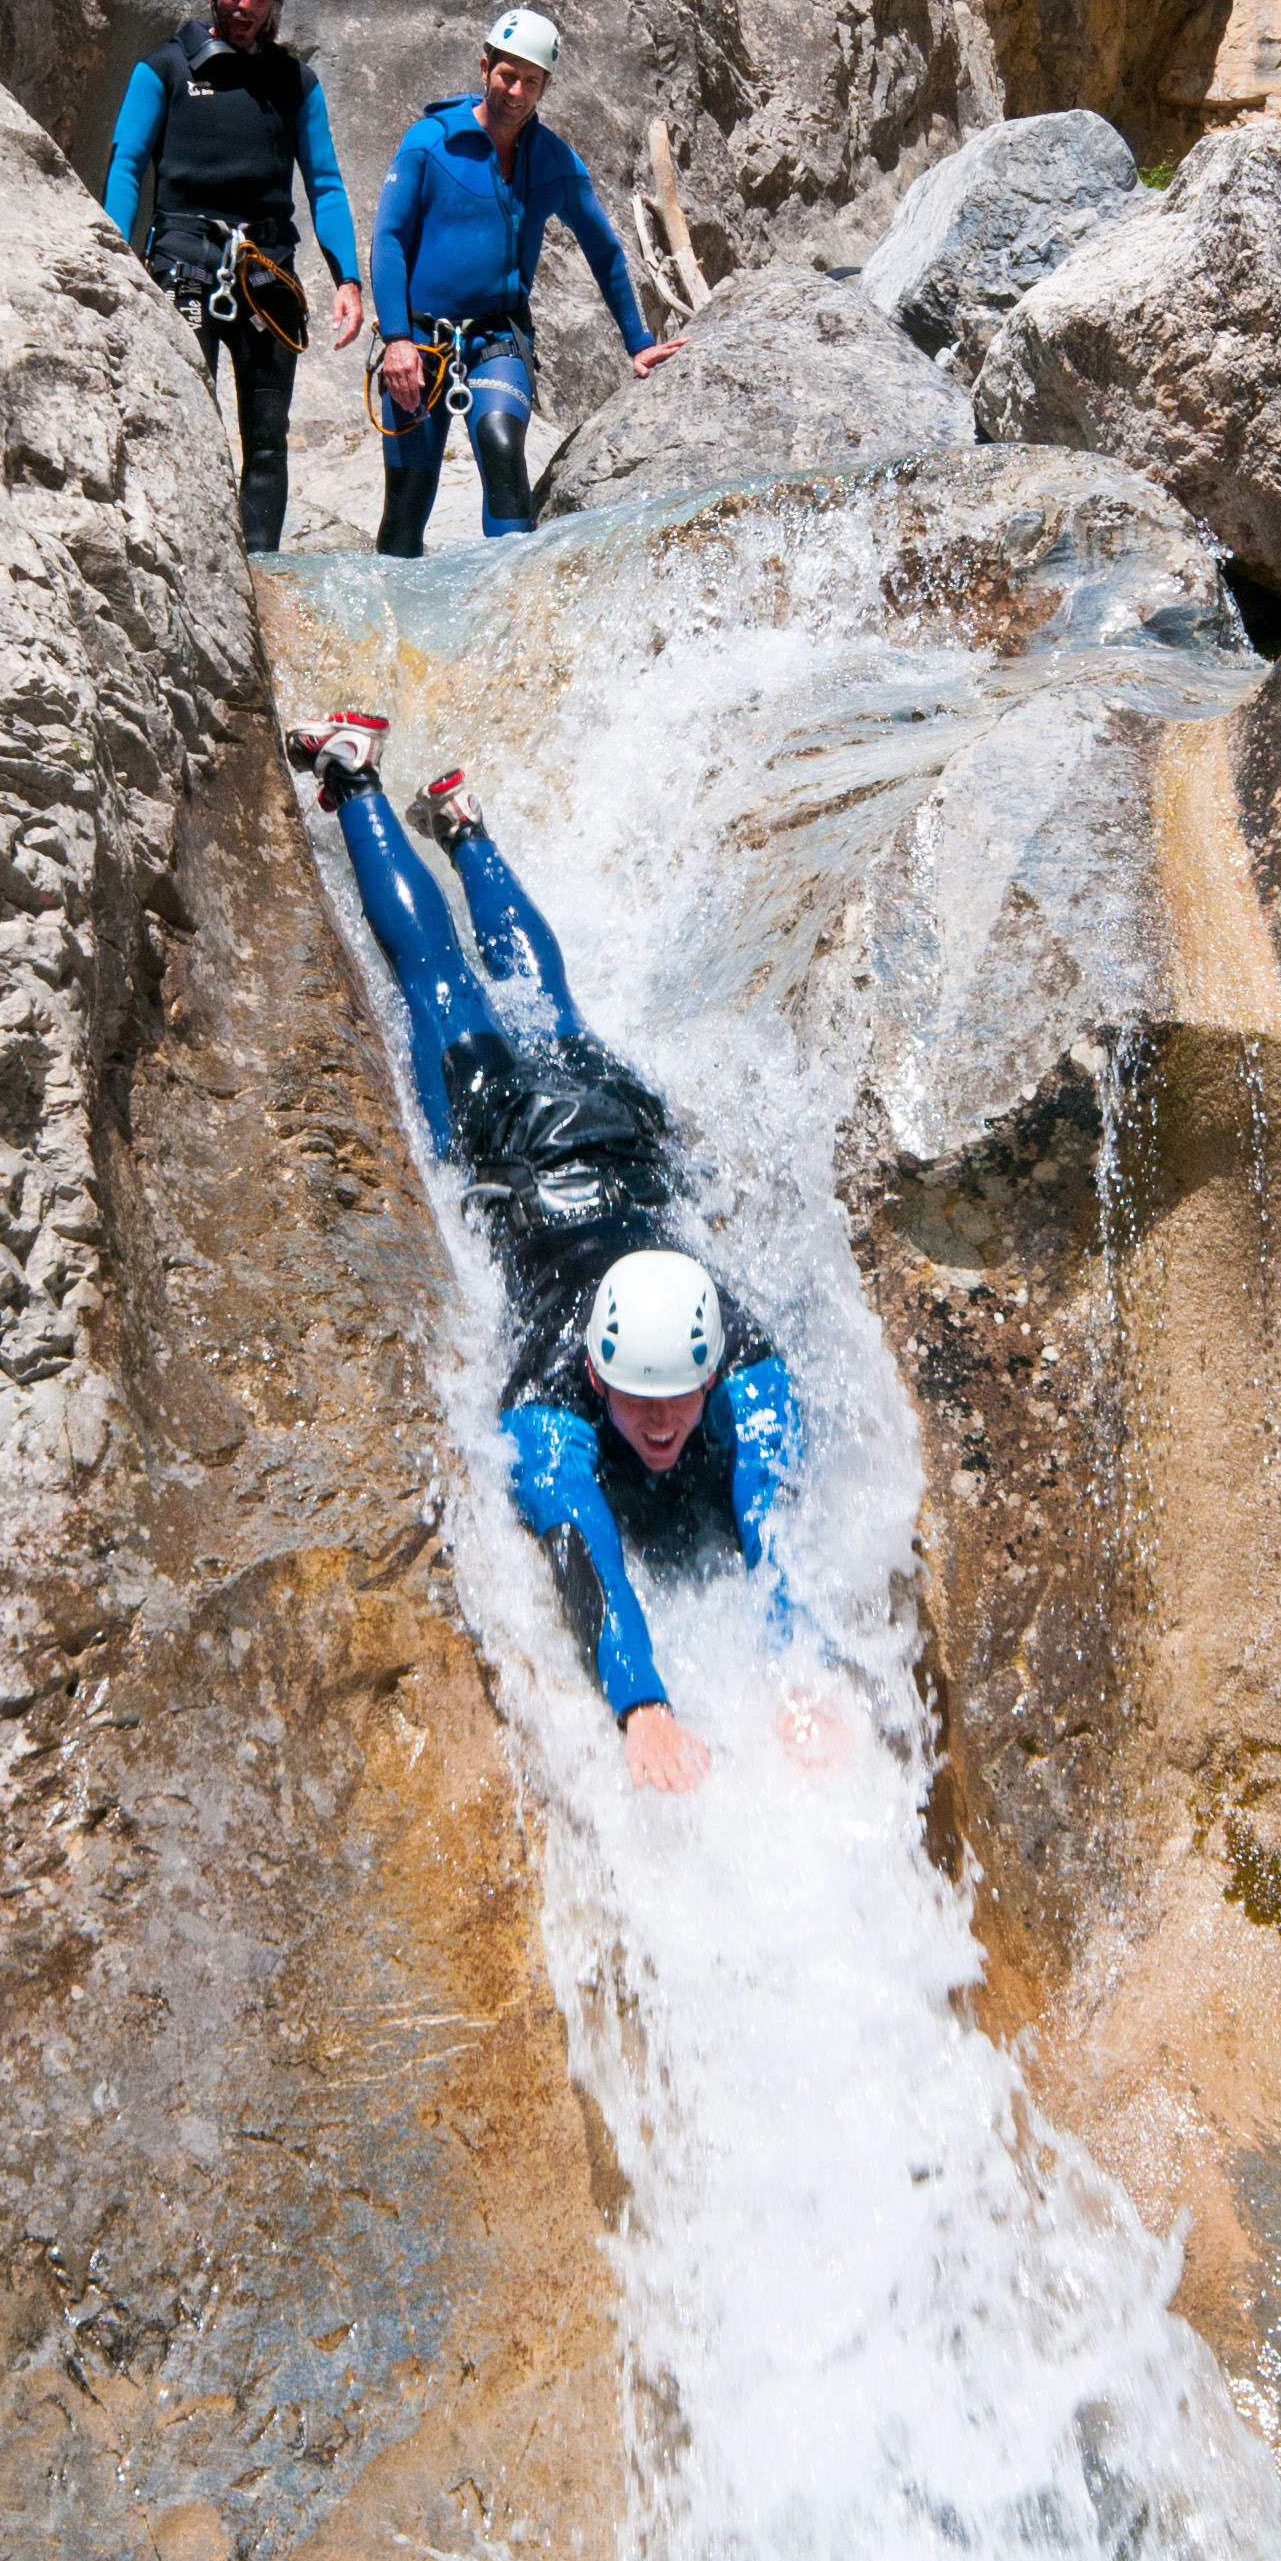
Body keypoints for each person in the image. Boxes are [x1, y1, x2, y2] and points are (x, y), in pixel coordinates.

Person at [282, 706, 842, 1795]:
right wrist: (640, 1705)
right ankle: (365, 785)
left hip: (617, 1141)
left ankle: (462, 822)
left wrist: (806, 1670)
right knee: (442, 985)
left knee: (548, 1005)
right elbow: (578, 1539)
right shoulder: (552, 1390)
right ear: (594, 1372)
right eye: (637, 1405)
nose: (663, 1424)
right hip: (517, 1148)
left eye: (678, 1399)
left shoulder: (748, 1369)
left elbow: (776, 1531)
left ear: (716, 1364)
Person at [366, 7, 678, 557]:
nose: (516, 90)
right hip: (417, 341)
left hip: (498, 337)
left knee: (502, 444)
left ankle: (515, 603)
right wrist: (395, 340)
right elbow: (388, 238)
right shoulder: (430, 142)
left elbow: (604, 251)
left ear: (545, 87)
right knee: (409, 495)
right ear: (485, 67)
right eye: (507, 75)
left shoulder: (552, 160)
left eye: (531, 81)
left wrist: (639, 344)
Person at [103, 0, 363, 552]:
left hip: (268, 272)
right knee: (187, 425)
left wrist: (347, 277)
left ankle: (260, 572)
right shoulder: (163, 68)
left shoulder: (293, 83)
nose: (246, 5)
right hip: (182, 262)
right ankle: (193, 562)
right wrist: (111, 253)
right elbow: (127, 165)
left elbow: (324, 182)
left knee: (268, 443)